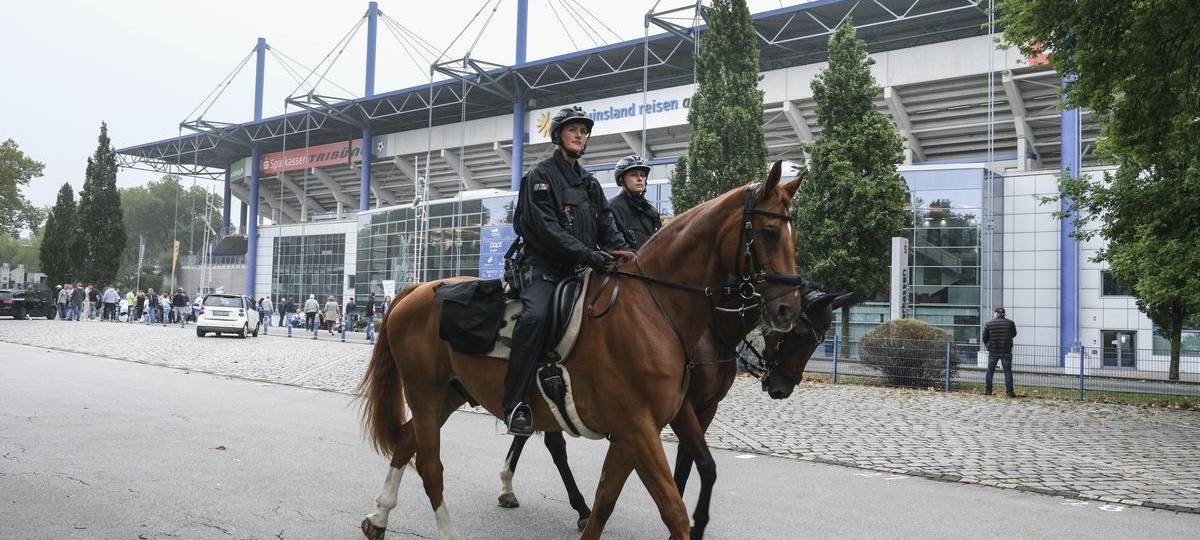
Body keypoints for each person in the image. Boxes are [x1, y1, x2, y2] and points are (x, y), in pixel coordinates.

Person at [504, 105, 628, 435]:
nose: (580, 135)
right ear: (559, 135)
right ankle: (516, 403)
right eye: (573, 130)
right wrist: (590, 255)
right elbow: (546, 229)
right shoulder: (540, 176)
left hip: (581, 269)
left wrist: (630, 256)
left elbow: (608, 227)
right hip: (543, 269)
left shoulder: (589, 183)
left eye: (584, 131)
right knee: (536, 318)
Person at [607, 154, 662, 250]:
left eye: (642, 175)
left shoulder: (651, 212)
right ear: (621, 180)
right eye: (633, 175)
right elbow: (612, 244)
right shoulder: (611, 208)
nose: (640, 178)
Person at [982, 307, 1018, 398]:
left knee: (990, 371)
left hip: (993, 351)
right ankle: (1010, 392)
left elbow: (984, 338)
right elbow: (1014, 334)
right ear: (1004, 314)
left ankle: (988, 391)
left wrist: (988, 345)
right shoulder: (1010, 323)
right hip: (1006, 351)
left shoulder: (989, 324)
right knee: (1008, 372)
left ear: (995, 313)